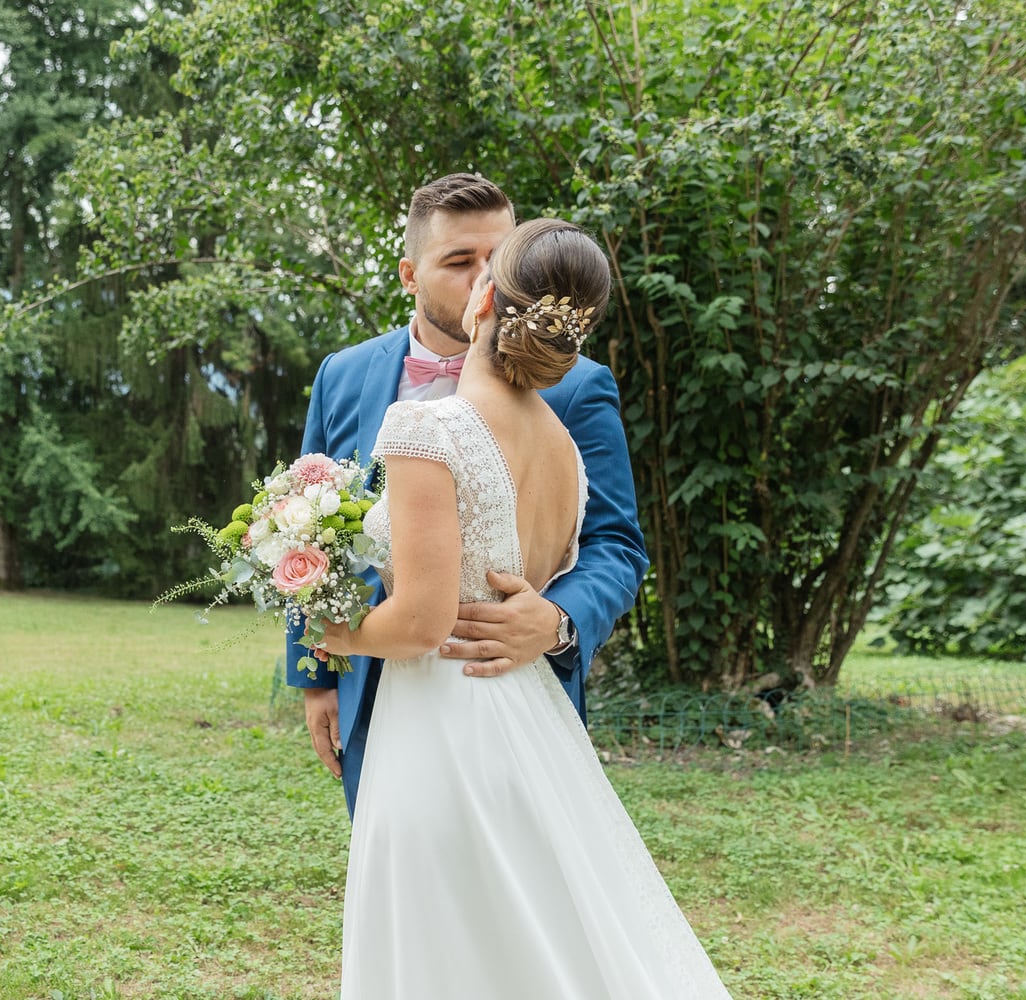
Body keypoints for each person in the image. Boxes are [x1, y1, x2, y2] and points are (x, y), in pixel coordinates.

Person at [317, 218, 731, 996]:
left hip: (442, 726)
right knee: (539, 931)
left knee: (447, 942)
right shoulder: (561, 446)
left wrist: (336, 630)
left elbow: (422, 623)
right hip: (528, 714)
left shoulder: (426, 427)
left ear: (482, 303)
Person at [287, 173, 648, 818]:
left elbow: (616, 544)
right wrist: (315, 675)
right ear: (409, 274)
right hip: (374, 683)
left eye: (499, 257)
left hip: (510, 681)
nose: (488, 278)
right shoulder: (342, 375)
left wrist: (558, 621)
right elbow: (303, 534)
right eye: (459, 261)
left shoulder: (578, 387)